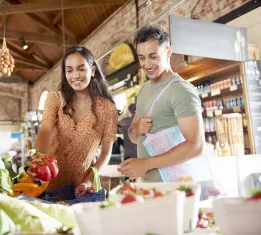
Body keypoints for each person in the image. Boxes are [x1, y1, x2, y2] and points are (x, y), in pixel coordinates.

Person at [117, 24, 216, 198]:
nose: (147, 64)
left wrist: (145, 164)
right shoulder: (144, 90)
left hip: (180, 189)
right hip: (153, 188)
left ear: (168, 51)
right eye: (142, 58)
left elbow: (196, 145)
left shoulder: (180, 90)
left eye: (153, 57)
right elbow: (133, 137)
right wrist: (136, 128)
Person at [27, 46, 118, 197]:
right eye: (69, 70)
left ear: (93, 71)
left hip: (81, 187)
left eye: (81, 69)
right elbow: (45, 132)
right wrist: (39, 162)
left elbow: (105, 154)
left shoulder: (108, 109)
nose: (75, 75)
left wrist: (88, 180)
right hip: (47, 183)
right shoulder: (55, 98)